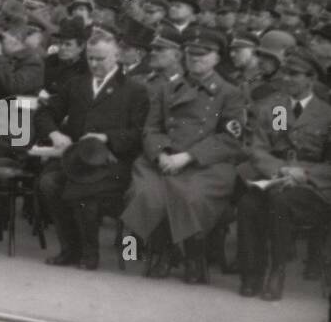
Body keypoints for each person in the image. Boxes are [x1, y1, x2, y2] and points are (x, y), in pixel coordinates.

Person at [122, 29, 245, 283]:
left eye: (203, 55)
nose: (195, 59)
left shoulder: (229, 93)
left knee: (190, 195)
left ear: (217, 58)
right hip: (164, 159)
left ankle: (193, 255)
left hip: (204, 164)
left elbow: (229, 138)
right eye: (191, 54)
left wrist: (189, 157)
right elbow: (152, 128)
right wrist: (162, 153)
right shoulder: (167, 89)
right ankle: (161, 251)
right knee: (148, 193)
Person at [35, 26, 149, 269]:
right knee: (48, 183)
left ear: (116, 56)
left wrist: (107, 137)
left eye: (101, 59)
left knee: (83, 190)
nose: (95, 64)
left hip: (112, 161)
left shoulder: (134, 90)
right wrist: (55, 133)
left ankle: (89, 253)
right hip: (76, 157)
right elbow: (45, 112)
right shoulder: (76, 84)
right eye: (90, 58)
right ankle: (70, 248)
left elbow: (138, 133)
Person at [235, 48, 331, 300]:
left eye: (295, 74)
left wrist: (304, 173)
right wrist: (281, 170)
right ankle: (252, 273)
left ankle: (276, 272)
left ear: (312, 79)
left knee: (280, 202)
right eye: (285, 73)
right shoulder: (273, 109)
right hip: (276, 178)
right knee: (247, 204)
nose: (287, 78)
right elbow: (257, 148)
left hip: (314, 190)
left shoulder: (326, 114)